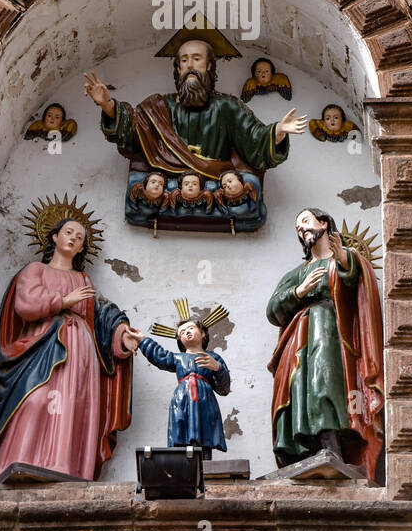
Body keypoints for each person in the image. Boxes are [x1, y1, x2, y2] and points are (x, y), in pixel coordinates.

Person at [0, 217, 138, 485]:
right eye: (68, 232)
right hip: (44, 346)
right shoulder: (35, 270)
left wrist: (122, 335)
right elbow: (26, 305)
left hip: (81, 354)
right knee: (36, 400)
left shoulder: (83, 279)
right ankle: (19, 464)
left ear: (81, 249)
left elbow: (100, 318)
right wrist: (64, 301)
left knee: (72, 408)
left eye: (80, 238)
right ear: (54, 237)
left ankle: (67, 469)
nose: (74, 238)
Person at [83, 38, 306, 185]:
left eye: (196, 59)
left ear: (209, 66)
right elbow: (131, 132)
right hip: (166, 185)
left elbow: (254, 141)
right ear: (178, 68)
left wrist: (278, 130)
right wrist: (107, 105)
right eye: (184, 60)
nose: (190, 65)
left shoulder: (227, 106)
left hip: (218, 181)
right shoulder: (158, 107)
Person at [266, 208, 383, 480]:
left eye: (306, 221)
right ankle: (301, 452)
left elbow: (356, 282)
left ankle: (331, 447)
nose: (302, 229)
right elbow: (273, 311)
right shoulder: (299, 273)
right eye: (297, 227)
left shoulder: (345, 259)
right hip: (299, 338)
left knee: (323, 383)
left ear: (324, 223)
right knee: (297, 389)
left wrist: (343, 259)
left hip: (332, 334)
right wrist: (299, 291)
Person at [134, 319, 230, 457]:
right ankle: (182, 464)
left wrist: (217, 368)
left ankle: (204, 462)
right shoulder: (177, 358)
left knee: (205, 433)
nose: (187, 333)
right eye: (182, 332)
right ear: (180, 339)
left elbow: (224, 388)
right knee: (180, 426)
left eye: (191, 328)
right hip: (182, 398)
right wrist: (143, 340)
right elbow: (160, 356)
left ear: (203, 333)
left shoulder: (213, 357)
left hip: (204, 400)